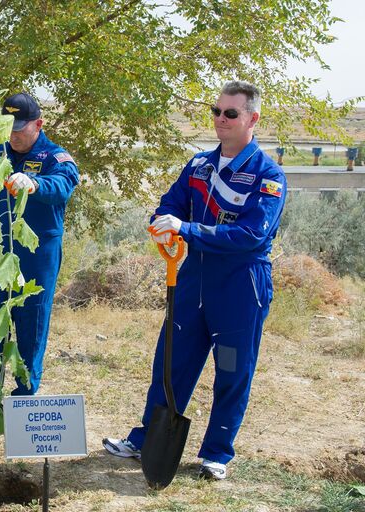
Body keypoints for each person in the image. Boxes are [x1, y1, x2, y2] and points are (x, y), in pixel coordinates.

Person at [102, 81, 286, 480]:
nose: (221, 119)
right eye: (216, 112)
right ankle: (147, 437)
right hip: (193, 280)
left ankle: (217, 453)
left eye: (231, 113)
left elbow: (251, 235)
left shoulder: (267, 176)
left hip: (240, 286)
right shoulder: (199, 165)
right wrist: (161, 225)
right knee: (171, 360)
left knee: (233, 369)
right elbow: (170, 204)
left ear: (252, 118)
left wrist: (187, 229)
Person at [0, 92, 79, 429]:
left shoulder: (56, 157)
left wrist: (35, 184)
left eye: (21, 128)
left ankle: (22, 411)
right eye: (9, 128)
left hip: (37, 258)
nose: (14, 135)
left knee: (30, 332)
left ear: (39, 124)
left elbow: (63, 186)